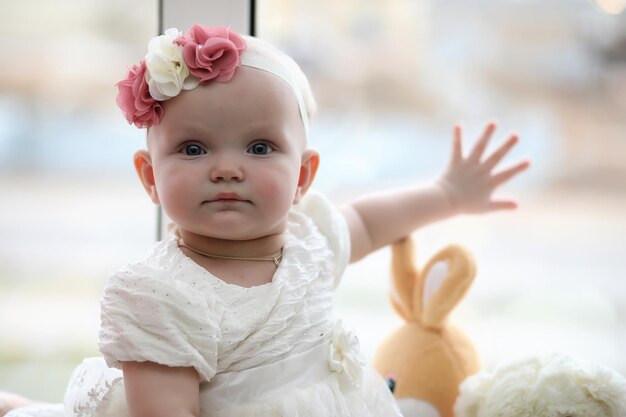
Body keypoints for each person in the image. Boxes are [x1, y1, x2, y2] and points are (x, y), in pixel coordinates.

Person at [3, 24, 529, 417]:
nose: (227, 168)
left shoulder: (308, 240)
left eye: (260, 147)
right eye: (192, 148)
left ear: (303, 176)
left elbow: (369, 222)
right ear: (149, 178)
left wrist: (447, 192)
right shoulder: (160, 296)